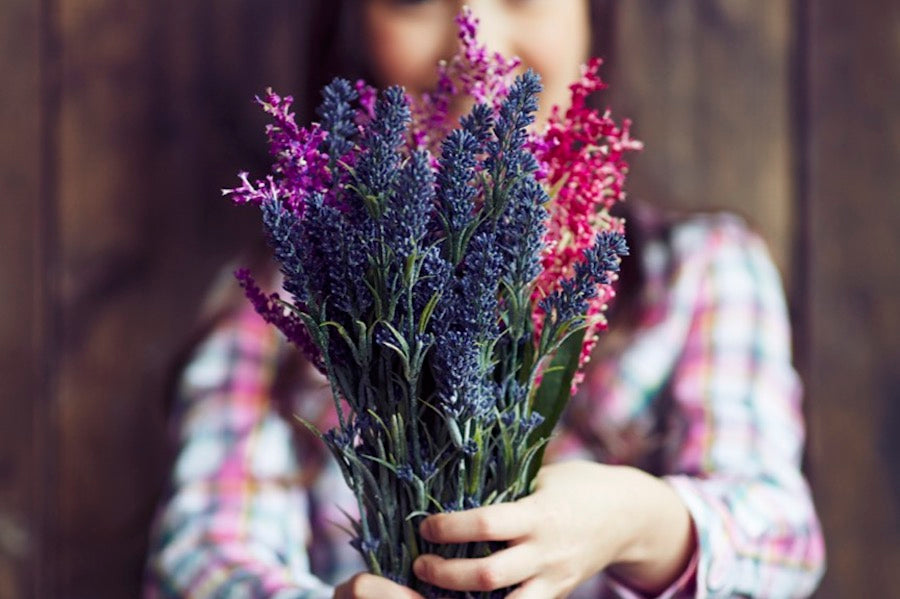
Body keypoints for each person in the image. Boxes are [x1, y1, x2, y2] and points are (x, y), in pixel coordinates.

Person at [144, 1, 826, 597]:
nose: (477, 48)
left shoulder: (701, 273)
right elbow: (200, 557)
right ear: (351, 25)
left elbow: (783, 540)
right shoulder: (283, 302)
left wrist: (640, 522)